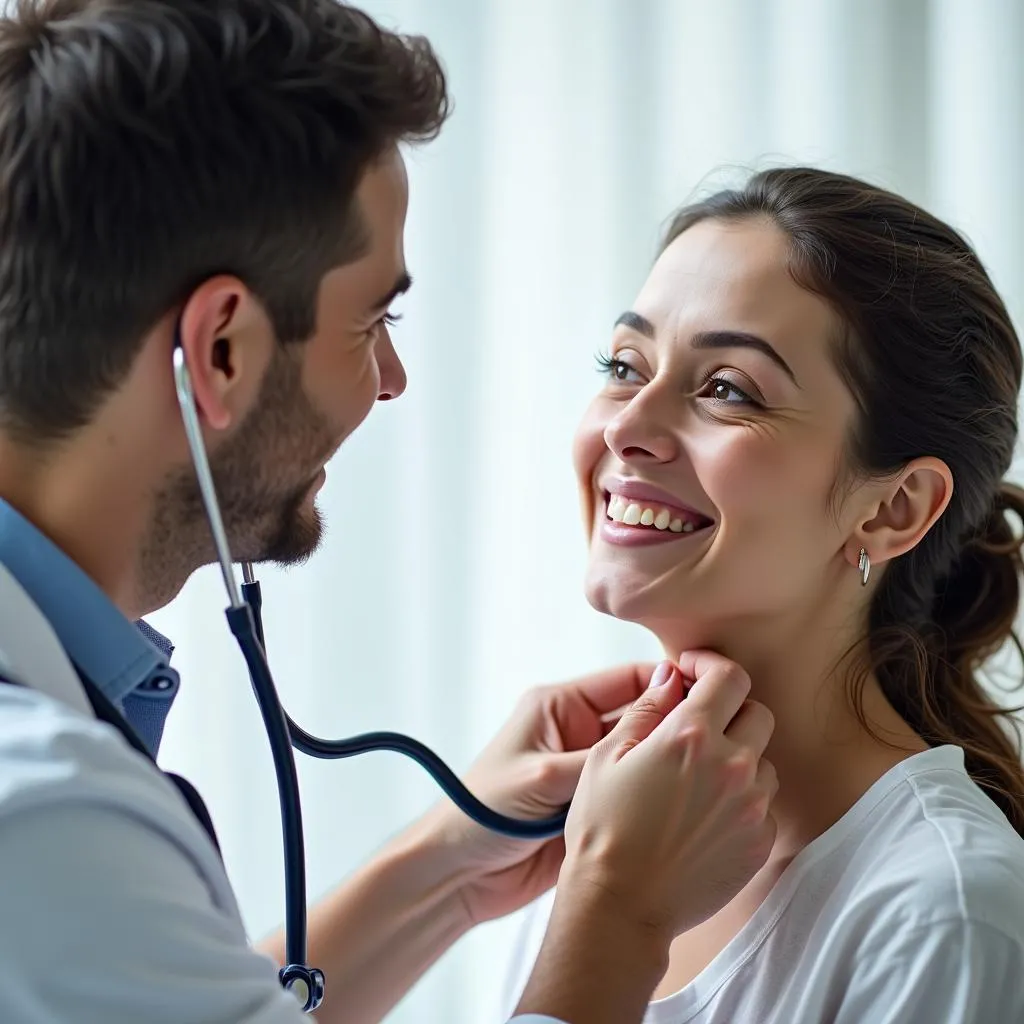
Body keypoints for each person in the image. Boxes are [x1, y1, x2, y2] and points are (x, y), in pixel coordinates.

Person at [0, 2, 780, 1023]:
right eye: (375, 319)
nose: (393, 376)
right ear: (221, 348)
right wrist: (618, 907)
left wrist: (449, 864)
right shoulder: (41, 813)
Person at [502, 166, 1024, 1022]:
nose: (626, 427)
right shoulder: (591, 840)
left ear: (893, 508)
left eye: (727, 389)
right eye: (625, 365)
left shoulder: (944, 916)